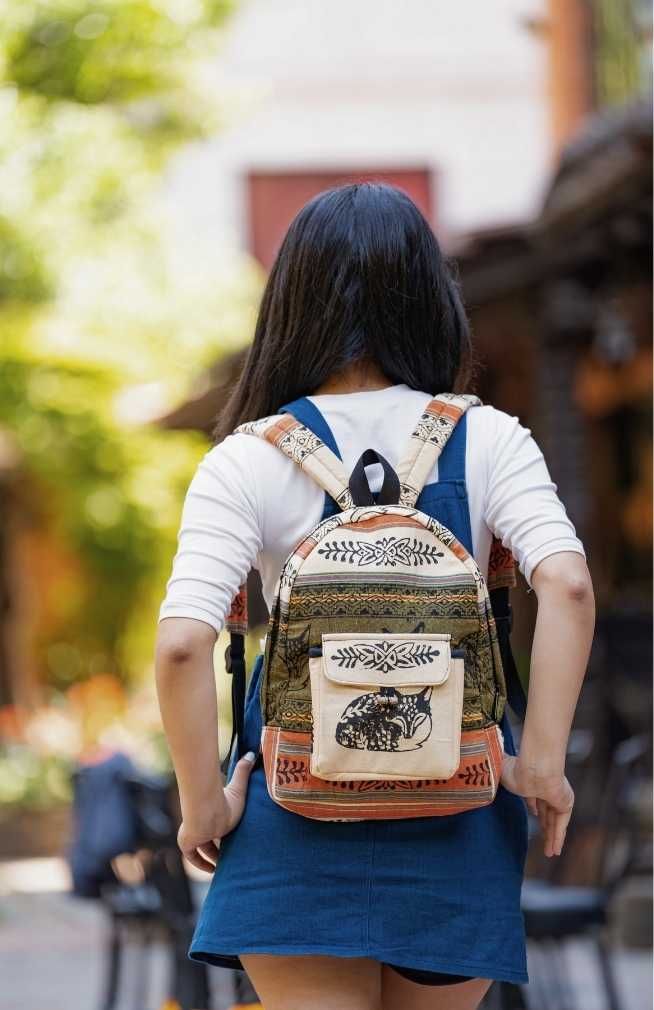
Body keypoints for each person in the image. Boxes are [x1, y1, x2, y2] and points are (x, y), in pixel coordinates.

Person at [155, 183, 595, 1010]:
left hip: (292, 811)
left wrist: (203, 806)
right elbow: (566, 583)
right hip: (455, 806)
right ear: (432, 298)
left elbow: (182, 642)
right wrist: (539, 763)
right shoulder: (490, 437)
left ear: (290, 303)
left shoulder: (248, 457)